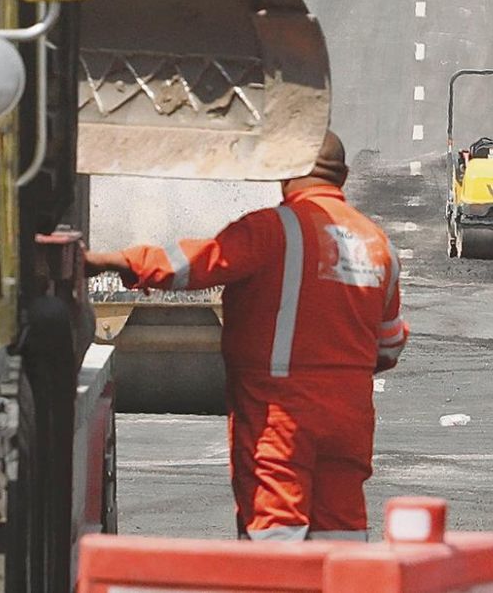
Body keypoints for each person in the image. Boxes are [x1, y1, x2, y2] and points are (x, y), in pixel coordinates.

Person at [85, 131, 407, 542]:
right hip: (350, 416)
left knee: (276, 533)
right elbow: (391, 343)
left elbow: (192, 264)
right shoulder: (376, 243)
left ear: (288, 173)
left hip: (281, 414)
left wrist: (117, 261)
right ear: (342, 176)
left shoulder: (274, 230)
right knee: (340, 533)